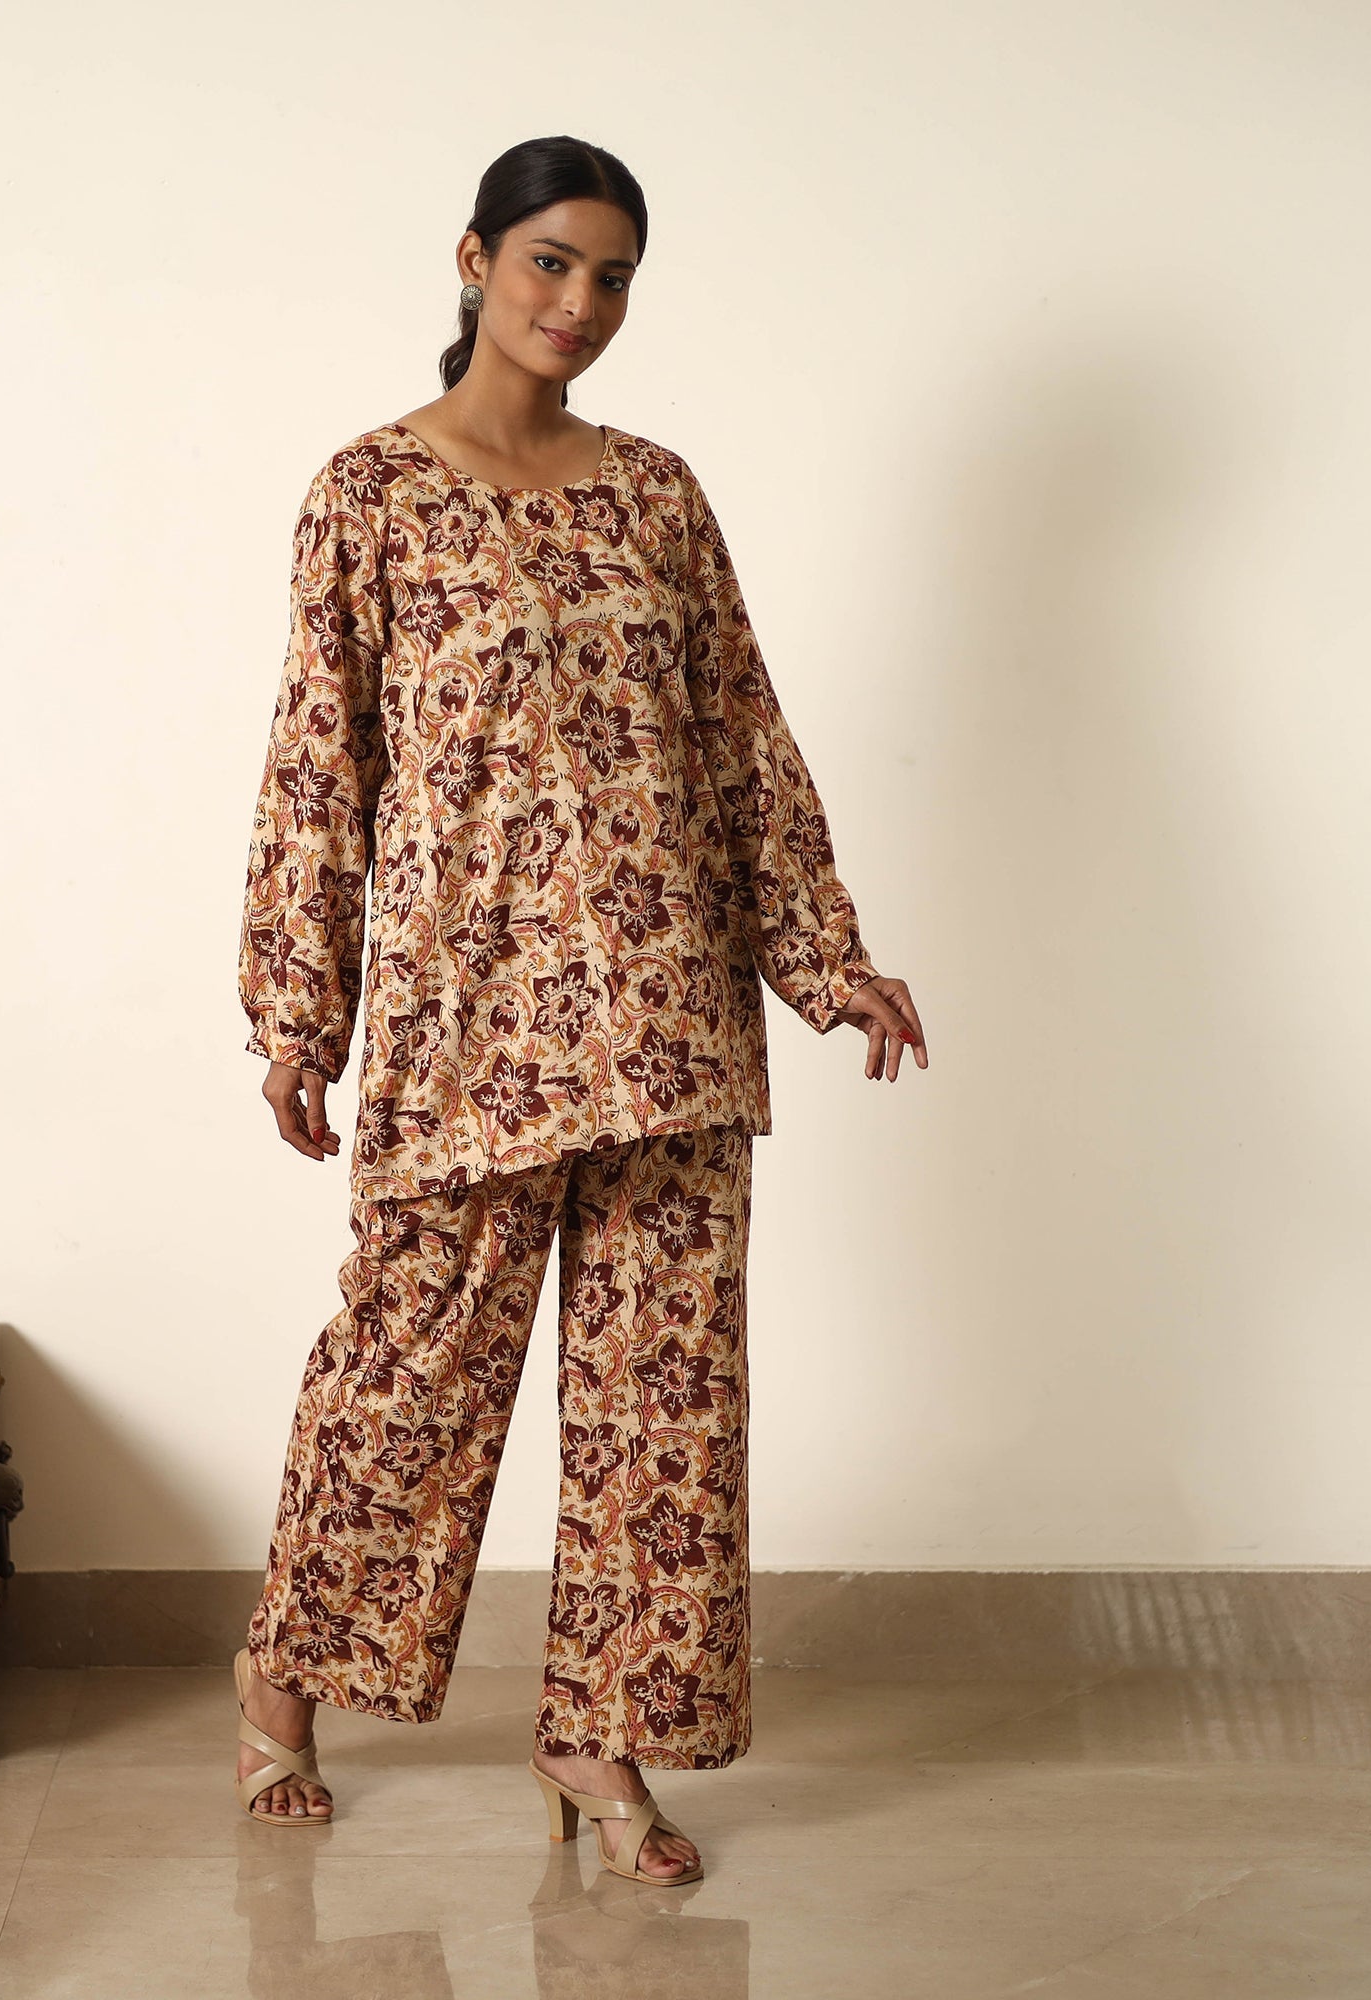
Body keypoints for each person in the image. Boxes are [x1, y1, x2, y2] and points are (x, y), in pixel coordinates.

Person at [232, 133, 926, 1885]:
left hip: (675, 1020)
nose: (581, 303)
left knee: (657, 1411)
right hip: (475, 1028)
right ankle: (284, 1675)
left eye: (613, 275)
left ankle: (594, 1738)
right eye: (550, 262)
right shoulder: (369, 494)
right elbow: (319, 768)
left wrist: (826, 957)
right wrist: (299, 1012)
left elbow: (741, 740)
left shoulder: (657, 496)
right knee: (407, 1374)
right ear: (475, 259)